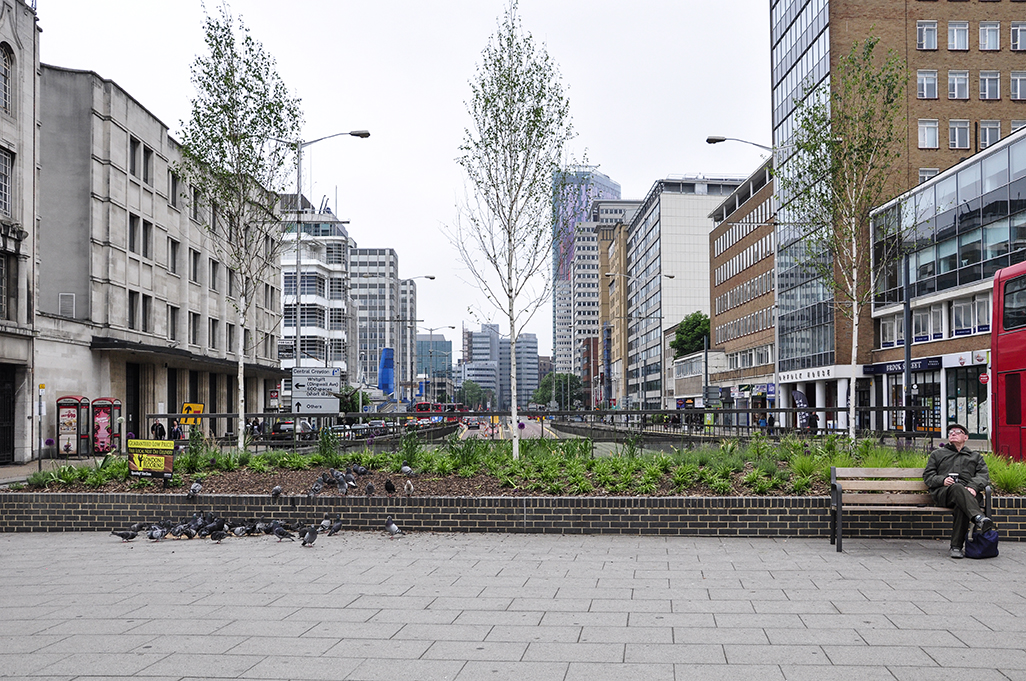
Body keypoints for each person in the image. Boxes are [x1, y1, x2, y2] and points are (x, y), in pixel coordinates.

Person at [923, 422, 994, 559]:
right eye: (950, 432)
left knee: (962, 504)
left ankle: (956, 548)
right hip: (945, 493)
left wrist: (973, 487)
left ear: (966, 437)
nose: (953, 434)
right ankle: (978, 518)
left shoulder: (975, 457)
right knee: (957, 488)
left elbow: (983, 476)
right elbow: (928, 476)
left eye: (957, 432)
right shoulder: (938, 454)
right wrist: (942, 480)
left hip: (969, 495)